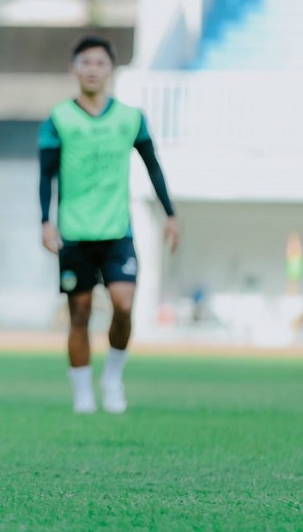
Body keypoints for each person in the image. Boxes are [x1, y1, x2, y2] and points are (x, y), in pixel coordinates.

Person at [39, 36, 178, 414]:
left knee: (123, 304)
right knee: (79, 315)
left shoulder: (130, 118)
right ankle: (83, 394)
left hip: (118, 232)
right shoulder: (59, 119)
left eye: (100, 63)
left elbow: (153, 165)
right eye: (86, 63)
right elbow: (45, 174)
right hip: (75, 233)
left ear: (110, 70)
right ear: (74, 69)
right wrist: (45, 222)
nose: (93, 70)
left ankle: (113, 378)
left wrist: (170, 214)